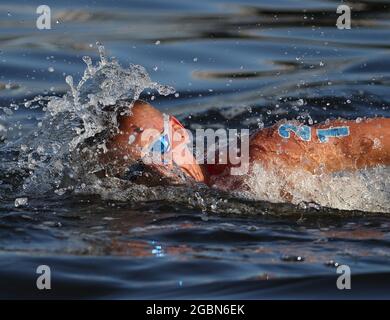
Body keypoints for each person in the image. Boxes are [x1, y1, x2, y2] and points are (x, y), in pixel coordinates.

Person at [100, 100, 390, 188]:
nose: (155, 167)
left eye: (156, 148)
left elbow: (362, 142)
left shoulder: (264, 155)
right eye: (135, 167)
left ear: (178, 131)